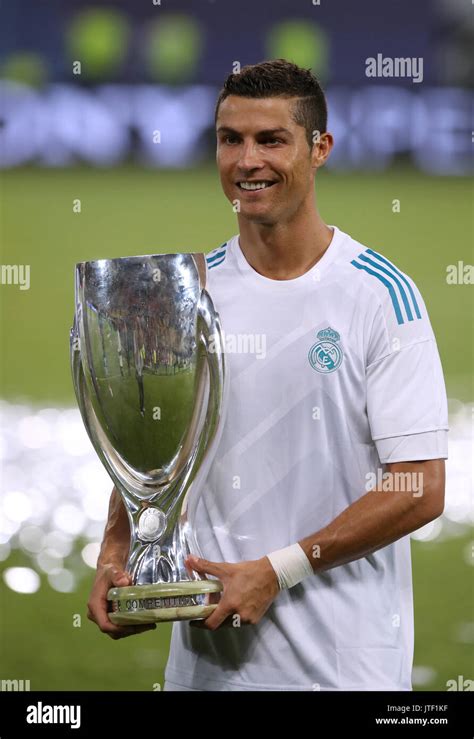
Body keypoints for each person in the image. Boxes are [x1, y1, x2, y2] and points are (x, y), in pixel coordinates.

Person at [87, 59, 448, 691]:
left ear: (320, 148)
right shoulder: (190, 293)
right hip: (206, 670)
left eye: (271, 140)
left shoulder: (380, 296)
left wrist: (278, 569)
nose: (247, 160)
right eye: (231, 140)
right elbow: (154, 452)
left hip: (341, 670)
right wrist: (116, 549)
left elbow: (419, 486)